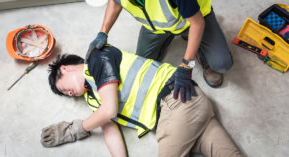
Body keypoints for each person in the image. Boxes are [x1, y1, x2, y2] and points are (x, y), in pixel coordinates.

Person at [40, 45, 244, 157]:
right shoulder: (94, 101)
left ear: (65, 68)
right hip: (185, 115)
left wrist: (75, 130)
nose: (68, 93)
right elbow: (110, 129)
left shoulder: (97, 57)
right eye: (65, 94)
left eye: (62, 88)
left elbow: (109, 110)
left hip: (177, 99)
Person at [88, 0, 233, 99]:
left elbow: (197, 23)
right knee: (141, 66)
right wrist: (103, 32)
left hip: (195, 19)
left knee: (222, 63)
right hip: (157, 28)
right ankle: (173, 33)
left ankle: (199, 49)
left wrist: (186, 66)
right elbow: (116, 1)